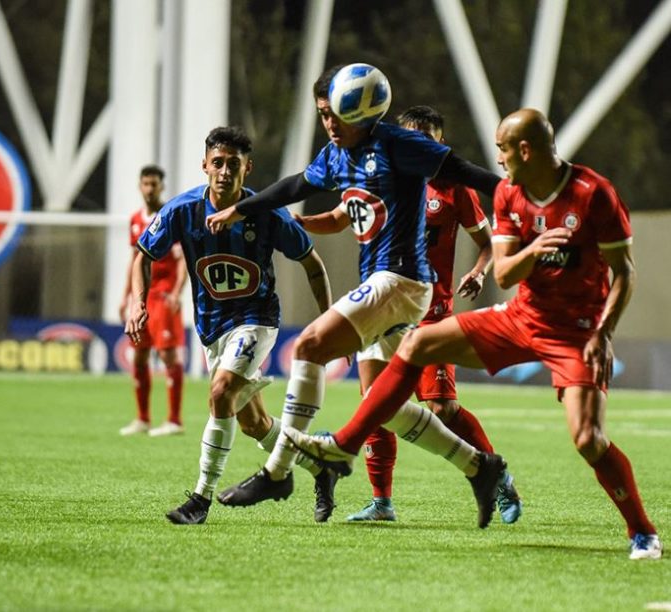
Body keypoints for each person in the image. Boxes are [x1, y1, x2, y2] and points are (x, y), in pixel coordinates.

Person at [286, 108, 663, 559]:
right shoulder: (508, 195)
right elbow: (504, 271)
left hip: (576, 333)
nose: (498, 161)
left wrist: (603, 333)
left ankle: (642, 531)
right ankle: (347, 456)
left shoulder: (593, 194)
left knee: (587, 439)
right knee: (417, 347)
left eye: (503, 150)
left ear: (526, 149)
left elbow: (625, 272)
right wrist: (534, 251)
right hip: (520, 315)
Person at [208, 64, 508, 529]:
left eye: (336, 114)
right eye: (322, 114)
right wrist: (241, 208)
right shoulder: (335, 154)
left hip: (402, 280)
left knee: (308, 346)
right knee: (379, 405)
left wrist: (527, 195)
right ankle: (480, 466)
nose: (329, 123)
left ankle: (279, 471)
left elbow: (466, 172)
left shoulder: (396, 143)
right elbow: (295, 186)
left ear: (360, 109)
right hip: (382, 283)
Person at [125, 127, 336, 525]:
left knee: (220, 392)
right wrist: (138, 303)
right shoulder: (182, 210)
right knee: (253, 422)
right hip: (212, 329)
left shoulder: (266, 213)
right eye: (217, 163)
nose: (224, 171)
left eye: (233, 164)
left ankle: (200, 499)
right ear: (204, 165)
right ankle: (320, 462)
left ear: (247, 168)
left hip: (256, 321)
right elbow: (143, 256)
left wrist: (329, 320)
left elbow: (313, 263)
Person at [347, 106, 521, 523]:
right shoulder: (383, 180)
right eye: (414, 137)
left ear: (440, 144)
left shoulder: (455, 189)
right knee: (375, 404)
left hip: (431, 312)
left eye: (430, 138)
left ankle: (496, 475)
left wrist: (480, 273)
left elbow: (487, 241)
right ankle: (382, 502)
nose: (422, 146)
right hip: (382, 308)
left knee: (442, 408)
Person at [118, 165, 187, 437]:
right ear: (140, 186)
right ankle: (143, 418)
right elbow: (135, 261)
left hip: (163, 296)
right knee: (139, 355)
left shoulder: (169, 216)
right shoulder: (135, 219)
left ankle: (174, 420)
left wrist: (176, 293)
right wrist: (127, 296)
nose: (149, 189)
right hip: (142, 297)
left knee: (169, 355)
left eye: (154, 184)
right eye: (145, 183)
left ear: (162, 187)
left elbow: (181, 261)